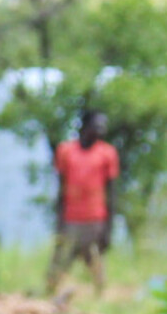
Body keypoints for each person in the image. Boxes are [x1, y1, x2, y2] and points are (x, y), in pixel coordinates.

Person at [46, 109, 119, 298]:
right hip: (71, 218)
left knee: (96, 265)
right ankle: (48, 295)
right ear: (86, 126)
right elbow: (61, 190)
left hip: (95, 219)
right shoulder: (66, 151)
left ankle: (99, 298)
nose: (102, 130)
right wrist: (59, 221)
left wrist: (108, 228)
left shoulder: (107, 153)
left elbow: (111, 192)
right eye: (98, 125)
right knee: (59, 263)